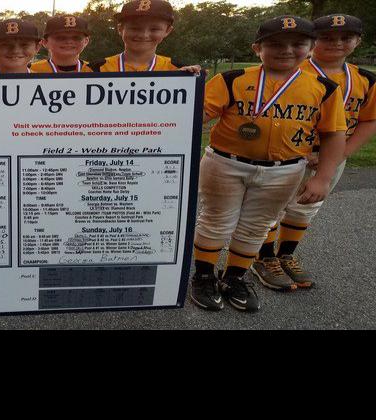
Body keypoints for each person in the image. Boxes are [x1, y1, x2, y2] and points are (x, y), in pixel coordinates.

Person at [190, 16, 347, 312]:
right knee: (215, 220)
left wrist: (323, 178)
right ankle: (203, 276)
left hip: (285, 169)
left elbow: (334, 134)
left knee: (256, 227)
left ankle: (234, 277)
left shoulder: (324, 88)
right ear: (256, 48)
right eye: (275, 44)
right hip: (226, 163)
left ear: (311, 47)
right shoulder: (232, 79)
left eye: (298, 44)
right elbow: (194, 115)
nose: (286, 50)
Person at [253, 14, 376, 290]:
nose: (337, 43)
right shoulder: (292, 73)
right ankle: (263, 257)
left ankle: (285, 255)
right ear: (312, 42)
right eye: (327, 38)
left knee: (306, 207)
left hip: (331, 156)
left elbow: (369, 119)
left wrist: (339, 155)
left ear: (358, 41)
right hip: (287, 154)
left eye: (346, 38)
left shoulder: (364, 79)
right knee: (271, 208)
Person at [90, 0, 200, 74]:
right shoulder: (95, 69)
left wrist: (187, 82)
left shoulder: (177, 70)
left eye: (154, 29)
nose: (144, 35)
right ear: (120, 29)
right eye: (135, 28)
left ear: (167, 31)